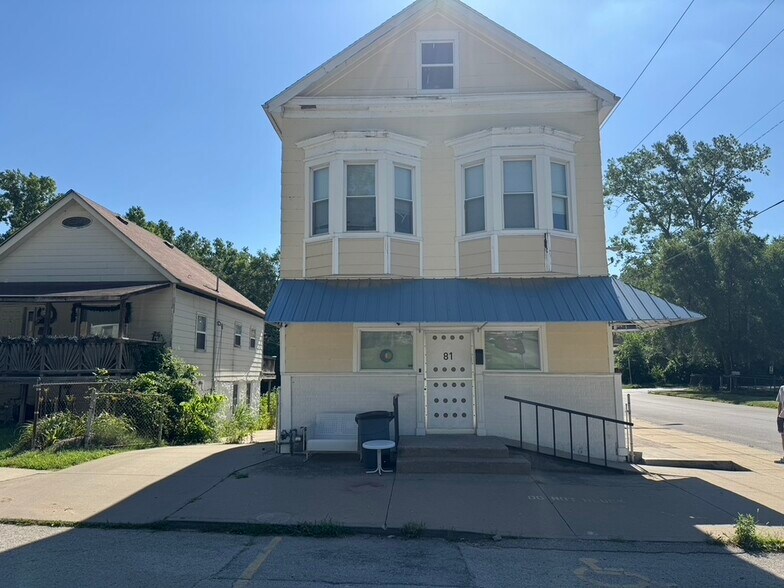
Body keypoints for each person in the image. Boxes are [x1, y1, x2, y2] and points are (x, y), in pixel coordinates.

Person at [778, 385, 784, 464]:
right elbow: (780, 404)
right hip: (783, 416)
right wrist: (778, 416)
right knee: (783, 436)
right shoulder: (782, 388)